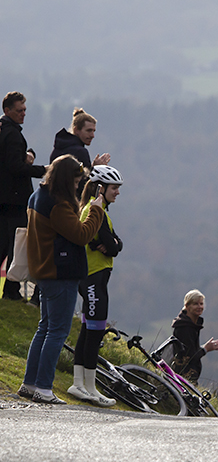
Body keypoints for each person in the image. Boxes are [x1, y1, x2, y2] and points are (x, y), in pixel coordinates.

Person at [17, 154, 105, 404]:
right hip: (61, 273)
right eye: (76, 181)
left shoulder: (38, 196)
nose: (77, 185)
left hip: (44, 271)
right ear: (68, 179)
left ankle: (29, 383)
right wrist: (95, 210)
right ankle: (44, 388)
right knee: (57, 332)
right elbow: (81, 234)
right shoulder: (57, 204)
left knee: (44, 328)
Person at [67, 165, 125, 406]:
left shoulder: (100, 210)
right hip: (93, 278)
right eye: (114, 188)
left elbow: (116, 243)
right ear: (101, 187)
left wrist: (113, 243)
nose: (118, 192)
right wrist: (112, 244)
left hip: (95, 279)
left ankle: (81, 384)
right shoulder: (95, 209)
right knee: (94, 333)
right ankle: (87, 387)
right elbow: (112, 247)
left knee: (89, 332)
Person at [0, 91, 46, 300]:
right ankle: (11, 290)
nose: (23, 114)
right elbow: (15, 167)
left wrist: (28, 155)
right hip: (15, 200)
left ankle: (10, 290)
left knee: (5, 244)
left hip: (4, 199)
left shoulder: (5, 131)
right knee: (16, 245)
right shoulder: (13, 135)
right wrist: (44, 170)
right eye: (19, 110)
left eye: (25, 110)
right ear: (7, 111)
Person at [171, 289, 218, 384]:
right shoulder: (185, 327)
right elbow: (189, 357)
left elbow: (190, 350)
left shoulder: (191, 325)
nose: (199, 307)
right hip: (183, 378)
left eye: (201, 304)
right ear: (187, 306)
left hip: (186, 377)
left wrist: (206, 347)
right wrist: (205, 349)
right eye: (195, 304)